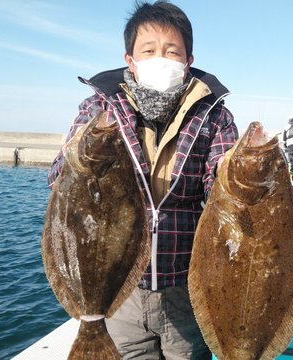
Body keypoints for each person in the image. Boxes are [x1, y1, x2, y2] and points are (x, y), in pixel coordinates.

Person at [47, 1, 238, 358]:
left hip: (185, 286)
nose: (160, 58)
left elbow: (222, 194)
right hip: (121, 291)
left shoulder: (215, 116)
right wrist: (75, 157)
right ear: (130, 60)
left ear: (188, 61)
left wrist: (237, 174)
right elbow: (59, 180)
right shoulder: (99, 108)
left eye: (172, 51)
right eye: (148, 51)